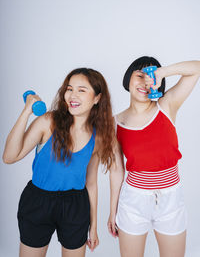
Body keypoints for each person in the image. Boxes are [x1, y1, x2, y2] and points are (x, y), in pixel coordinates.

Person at [3, 67, 115, 257]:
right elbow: (9, 157)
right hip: (38, 200)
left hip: (75, 204)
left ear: (97, 98)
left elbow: (91, 183)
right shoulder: (48, 122)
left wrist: (93, 226)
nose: (72, 95)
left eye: (82, 90)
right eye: (69, 88)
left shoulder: (98, 137)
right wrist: (26, 112)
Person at [107, 57, 200, 257]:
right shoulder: (114, 123)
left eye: (150, 78)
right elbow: (116, 170)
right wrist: (112, 210)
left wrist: (163, 72)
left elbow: (197, 68)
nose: (144, 82)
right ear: (128, 79)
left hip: (171, 199)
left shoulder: (167, 106)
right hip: (133, 201)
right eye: (139, 76)